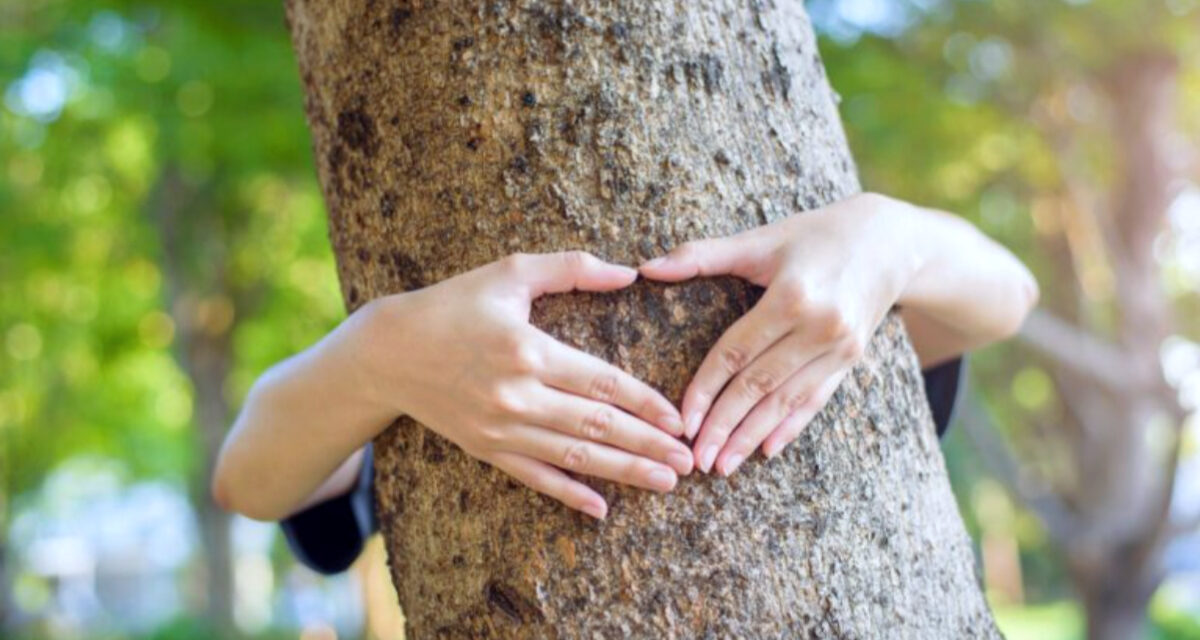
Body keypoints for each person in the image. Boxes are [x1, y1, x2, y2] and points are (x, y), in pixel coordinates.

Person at [211, 192, 1038, 574]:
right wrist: (376, 352)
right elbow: (254, 478)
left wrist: (890, 235)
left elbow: (1002, 299)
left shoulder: (816, 337)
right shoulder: (449, 388)